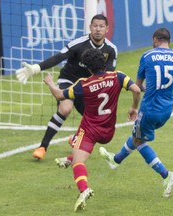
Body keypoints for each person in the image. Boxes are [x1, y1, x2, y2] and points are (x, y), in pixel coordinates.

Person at [99, 27, 173, 198]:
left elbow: (137, 88)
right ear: (169, 40)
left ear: (154, 39)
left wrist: (133, 107)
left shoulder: (147, 56)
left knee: (139, 142)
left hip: (149, 109)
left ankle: (166, 174)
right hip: (166, 111)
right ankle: (115, 160)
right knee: (137, 135)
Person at [44, 48, 141, 211]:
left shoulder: (83, 84)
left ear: (87, 67)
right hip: (108, 131)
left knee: (78, 160)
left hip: (90, 130)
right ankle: (70, 155)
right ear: (104, 62)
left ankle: (83, 189)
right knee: (77, 141)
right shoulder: (118, 76)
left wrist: (50, 83)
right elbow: (137, 90)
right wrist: (133, 107)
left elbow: (60, 95)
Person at [16, 14, 118, 160]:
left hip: (88, 86)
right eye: (95, 26)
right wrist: (36, 68)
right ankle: (42, 147)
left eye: (101, 26)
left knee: (93, 120)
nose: (98, 29)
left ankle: (76, 139)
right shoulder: (79, 44)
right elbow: (59, 57)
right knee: (65, 108)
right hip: (68, 80)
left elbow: (108, 75)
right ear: (90, 27)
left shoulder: (111, 49)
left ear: (107, 29)